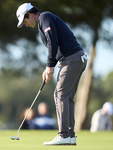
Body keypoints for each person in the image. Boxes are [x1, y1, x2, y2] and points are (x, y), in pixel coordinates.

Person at [16, 3, 88, 146]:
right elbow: (55, 46)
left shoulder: (44, 17)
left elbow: (52, 42)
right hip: (76, 58)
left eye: (25, 21)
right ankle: (70, 135)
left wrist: (49, 66)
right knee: (67, 98)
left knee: (60, 95)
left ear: (29, 14)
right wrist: (49, 67)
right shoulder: (43, 22)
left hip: (72, 59)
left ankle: (63, 134)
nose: (26, 24)